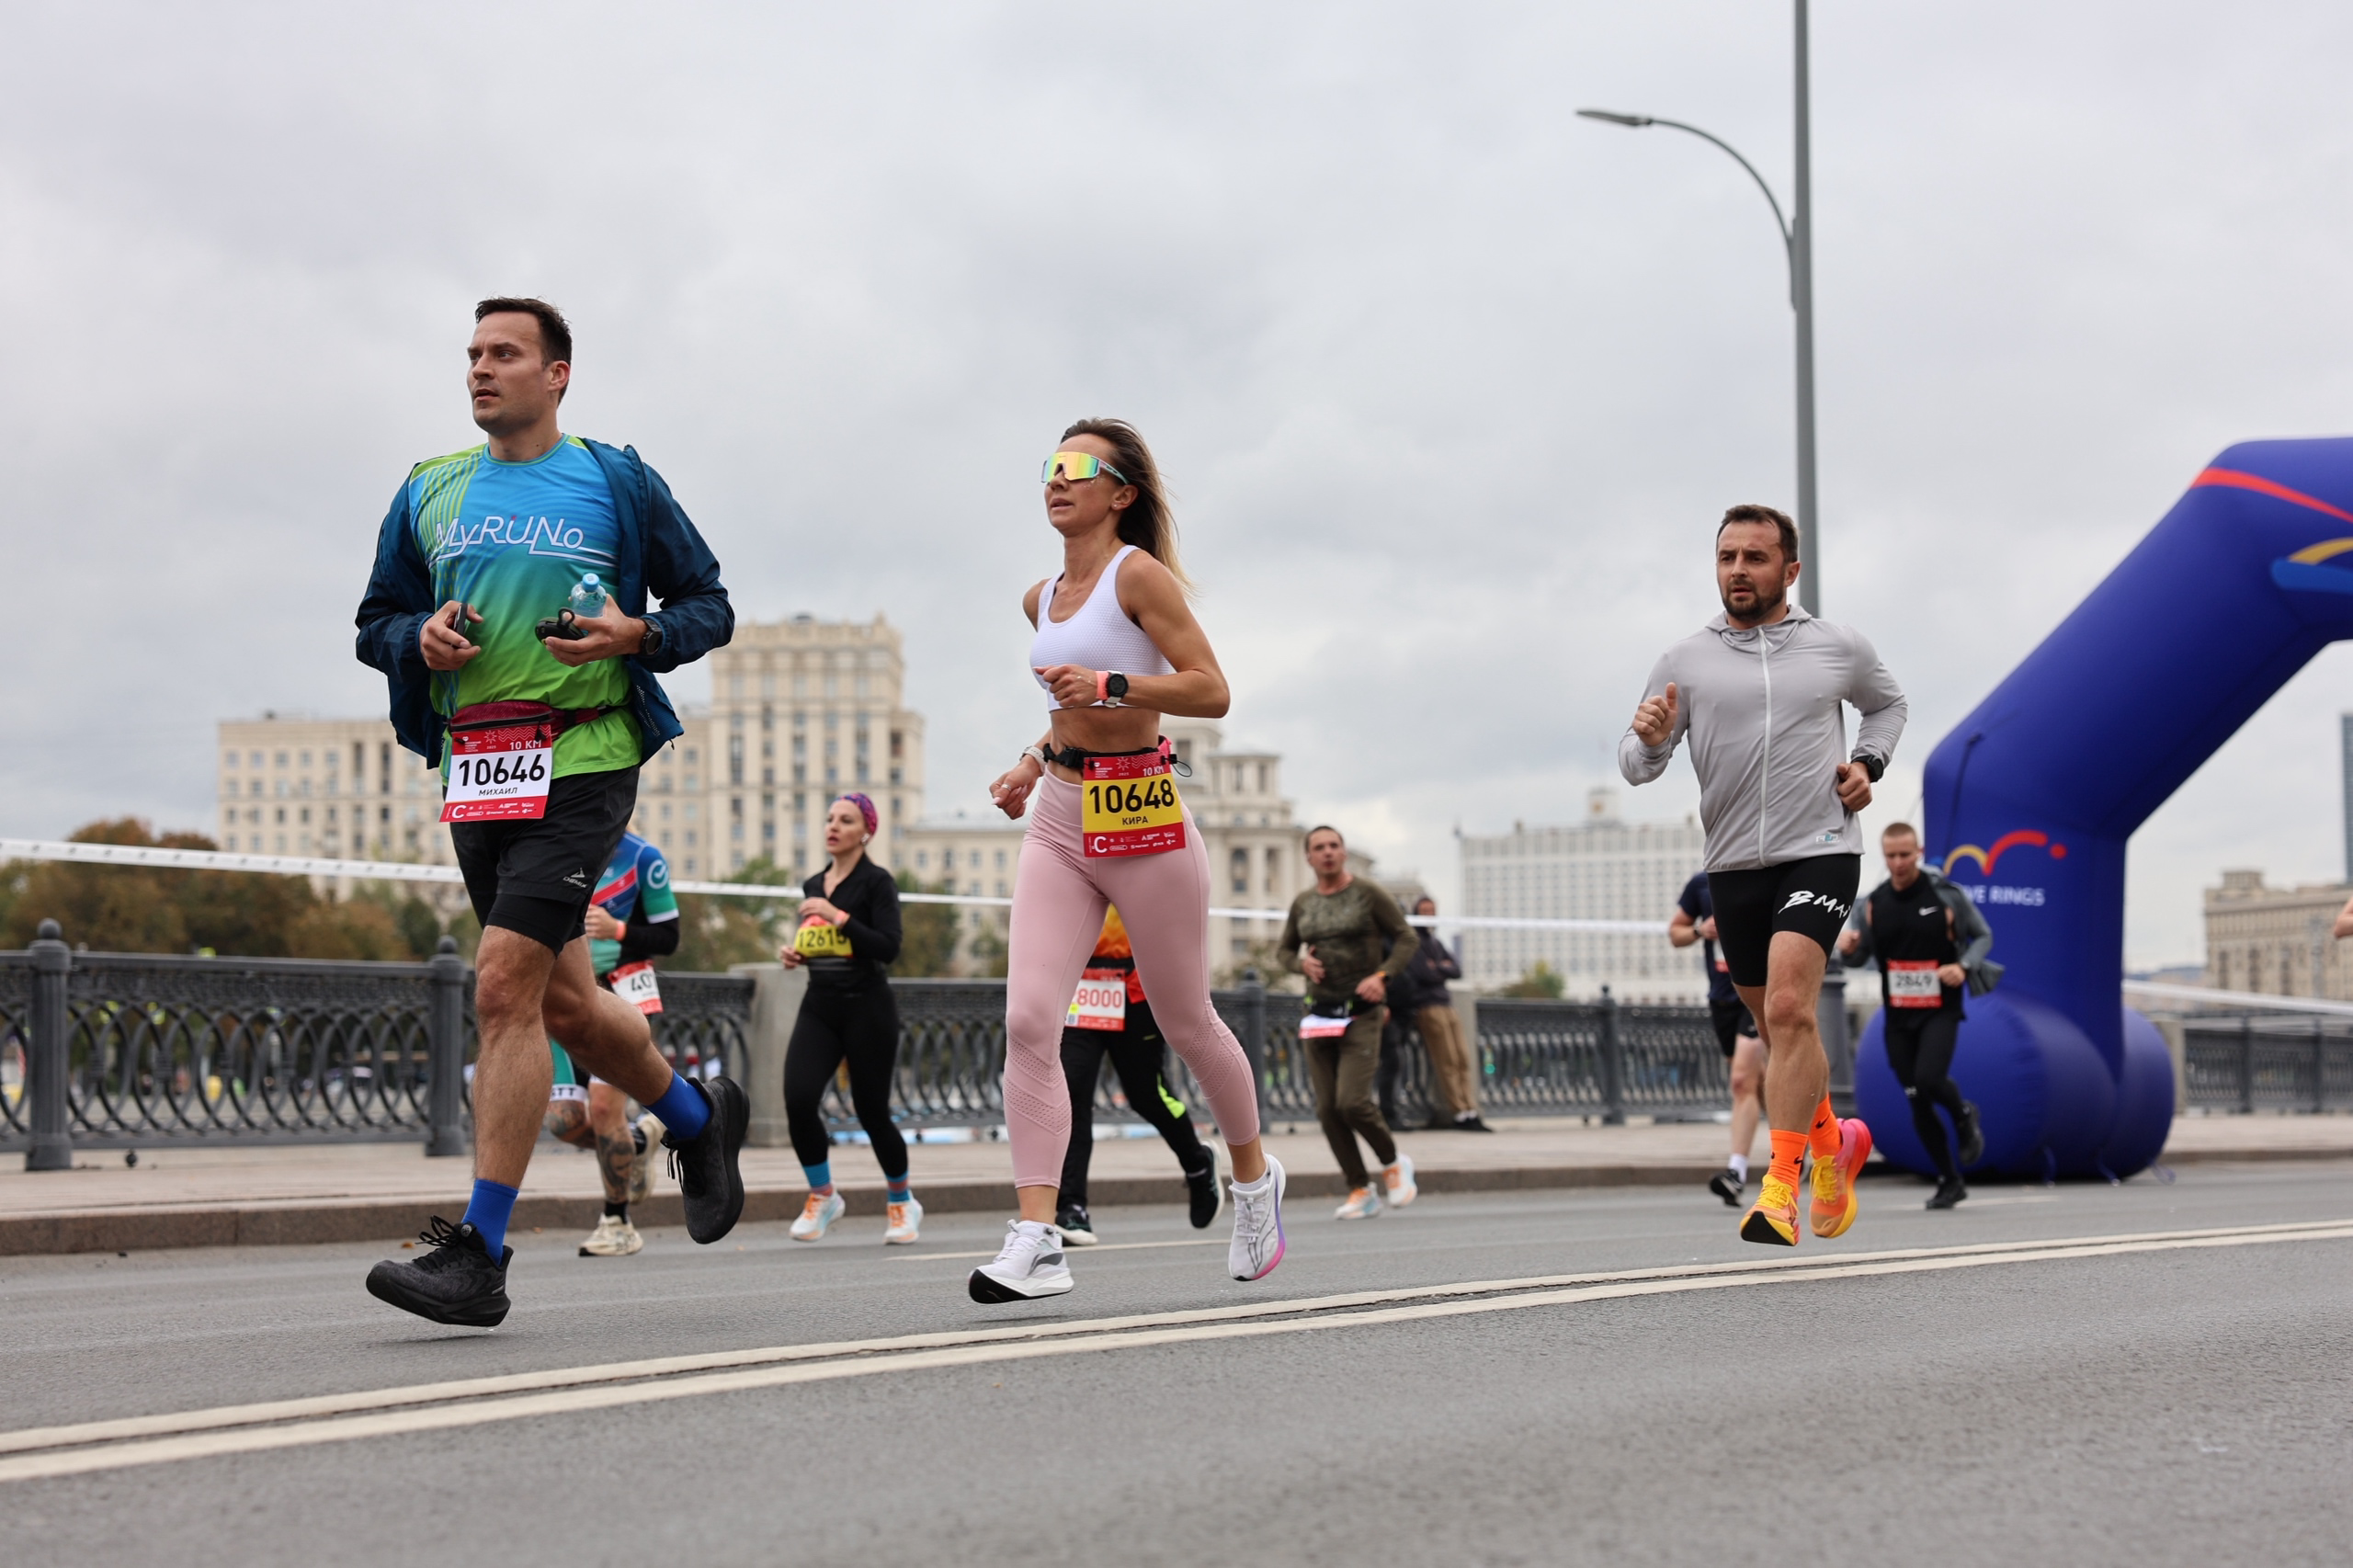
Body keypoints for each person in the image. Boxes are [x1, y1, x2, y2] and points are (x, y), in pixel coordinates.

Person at [355, 297, 746, 1327]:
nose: (481, 369)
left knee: (501, 986)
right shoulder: (430, 487)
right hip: (480, 767)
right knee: (566, 1005)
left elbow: (708, 606)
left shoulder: (615, 480)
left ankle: (479, 1252)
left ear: (557, 373)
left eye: (505, 353)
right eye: (473, 354)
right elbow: (375, 620)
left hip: (585, 755)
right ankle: (698, 1118)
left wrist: (635, 634)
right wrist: (416, 639)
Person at [977, 419, 1285, 1302]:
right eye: (1050, 465)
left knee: (1187, 1020)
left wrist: (1115, 685)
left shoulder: (1138, 576)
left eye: (1077, 467)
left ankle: (1254, 1183)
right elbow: (1065, 712)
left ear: (1121, 494)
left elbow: (1211, 691)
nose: (1056, 479)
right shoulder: (1040, 599)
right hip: (1059, 817)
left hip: (1142, 812)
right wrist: (1031, 761)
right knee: (1028, 1021)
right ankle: (1038, 1237)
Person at [1620, 502, 1906, 1248]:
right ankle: (1835, 1141)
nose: (1738, 570)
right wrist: (1650, 741)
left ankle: (1780, 1188)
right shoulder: (1685, 659)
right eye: (1728, 558)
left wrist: (1867, 764)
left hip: (1820, 848)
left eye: (1755, 556)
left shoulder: (1836, 645)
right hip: (1732, 864)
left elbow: (1888, 705)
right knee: (1782, 1032)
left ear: (1790, 568)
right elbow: (1637, 764)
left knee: (1786, 1006)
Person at [778, 792, 921, 1245]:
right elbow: (822, 941)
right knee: (799, 1099)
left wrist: (836, 915)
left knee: (872, 1111)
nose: (833, 827)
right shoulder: (812, 884)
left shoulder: (877, 883)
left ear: (866, 832)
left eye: (846, 820)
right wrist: (798, 953)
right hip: (820, 1005)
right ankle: (823, 1196)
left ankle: (902, 1202)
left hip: (867, 1006)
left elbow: (888, 947)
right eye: (830, 819)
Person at [1838, 823, 1993, 1210]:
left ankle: (1963, 1113)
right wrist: (1849, 948)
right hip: (1898, 1017)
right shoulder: (1873, 903)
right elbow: (1859, 958)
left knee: (1928, 1079)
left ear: (1918, 852)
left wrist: (1963, 965)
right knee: (1916, 1100)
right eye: (1891, 856)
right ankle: (1950, 1180)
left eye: (1905, 855)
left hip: (1940, 1009)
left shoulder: (1945, 895)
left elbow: (1983, 935)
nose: (1898, 863)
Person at [543, 828, 680, 1256]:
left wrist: (619, 930)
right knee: (564, 1122)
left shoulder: (643, 858)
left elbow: (669, 937)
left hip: (624, 991)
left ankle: (618, 1222)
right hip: (567, 996)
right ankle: (637, 1142)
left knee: (605, 1109)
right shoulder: (554, 848)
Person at [1053, 906, 1222, 1244]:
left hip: (1136, 987)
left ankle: (1197, 1163)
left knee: (1146, 1095)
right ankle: (1072, 1208)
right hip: (1082, 989)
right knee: (1070, 1096)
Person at [1278, 826, 1421, 1220]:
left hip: (1361, 1011)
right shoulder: (1304, 902)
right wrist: (1301, 964)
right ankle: (1360, 1188)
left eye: (1334, 846)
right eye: (1319, 847)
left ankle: (1393, 1163)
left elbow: (1406, 938)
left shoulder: (1368, 893)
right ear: (1308, 857)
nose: (1327, 852)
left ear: (1343, 853)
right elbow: (1284, 951)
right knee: (1327, 1109)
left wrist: (1382, 977)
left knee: (1352, 1102)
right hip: (1318, 1013)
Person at [1670, 871, 1768, 1206]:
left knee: (1741, 1081)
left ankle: (1736, 1172)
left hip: (1758, 992)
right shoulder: (1702, 883)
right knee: (1758, 1083)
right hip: (1722, 998)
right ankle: (1806, 1140)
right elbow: (1675, 933)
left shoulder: (1765, 875)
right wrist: (1700, 930)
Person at [1404, 896, 1487, 1131]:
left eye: (1432, 910)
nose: (1429, 915)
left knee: (1463, 1059)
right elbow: (1423, 973)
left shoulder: (1436, 942)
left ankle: (1471, 1109)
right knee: (1447, 1061)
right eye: (1424, 911)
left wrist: (1437, 967)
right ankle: (1459, 1112)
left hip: (1447, 1005)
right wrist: (1442, 968)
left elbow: (1457, 969)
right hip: (1429, 1006)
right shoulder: (1413, 941)